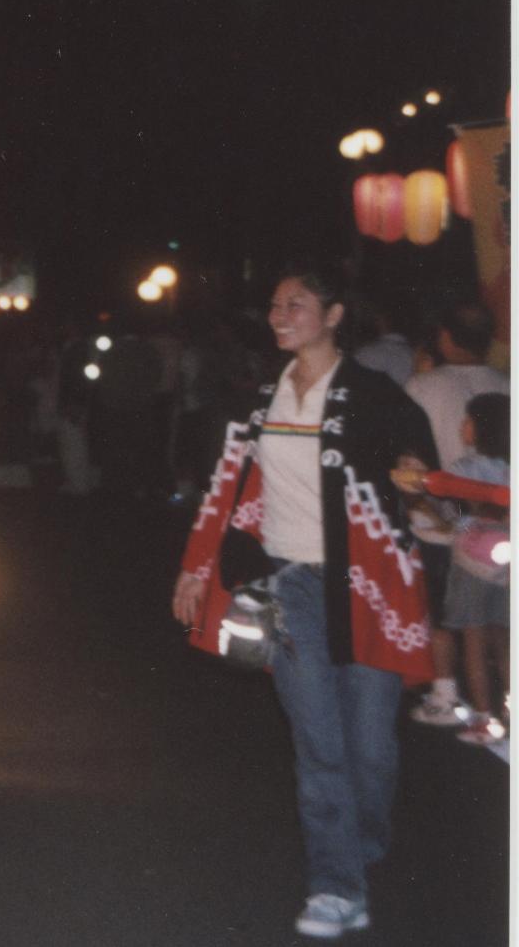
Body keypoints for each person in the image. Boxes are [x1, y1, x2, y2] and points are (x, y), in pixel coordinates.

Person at [171, 265, 437, 941]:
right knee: (319, 744)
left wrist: (410, 472)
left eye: (297, 303)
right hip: (289, 586)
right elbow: (224, 497)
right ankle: (336, 886)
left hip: (367, 589)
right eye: (274, 305)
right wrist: (196, 571)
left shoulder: (374, 393)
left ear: (334, 314)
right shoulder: (258, 403)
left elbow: (416, 460)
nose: (280, 314)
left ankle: (360, 843)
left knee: (371, 747)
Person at [400, 301, 508, 730]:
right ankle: (503, 704)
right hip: (501, 528)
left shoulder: (423, 386)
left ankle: (446, 695)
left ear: (445, 337)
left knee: (447, 618)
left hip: (442, 525)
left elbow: (406, 459)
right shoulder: (506, 382)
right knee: (500, 625)